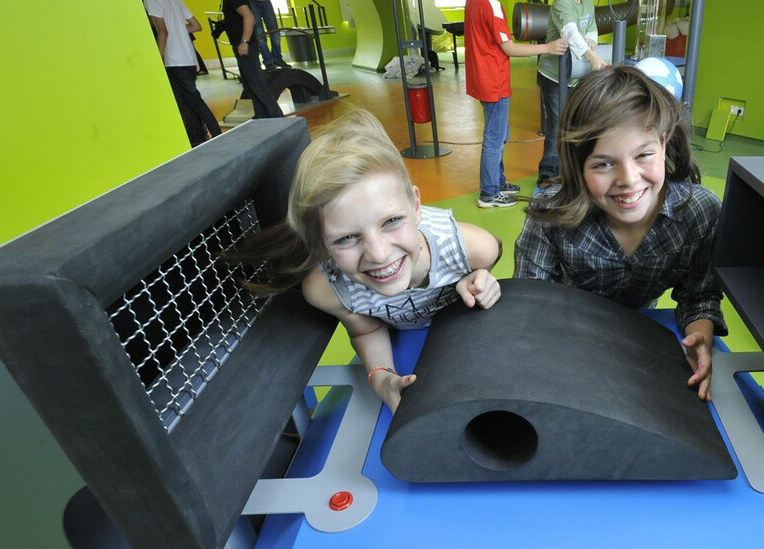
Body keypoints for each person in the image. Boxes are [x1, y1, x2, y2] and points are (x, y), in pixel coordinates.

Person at [234, 109, 503, 412]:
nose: (378, 254)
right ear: (320, 242)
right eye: (346, 238)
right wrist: (381, 378)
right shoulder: (327, 289)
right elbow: (366, 329)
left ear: (415, 206)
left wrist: (479, 281)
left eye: (391, 221)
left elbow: (484, 273)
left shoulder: (472, 248)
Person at [514, 66, 727, 400]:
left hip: (646, 343)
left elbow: (700, 295)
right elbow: (530, 304)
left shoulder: (700, 212)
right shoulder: (549, 217)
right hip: (571, 337)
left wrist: (699, 336)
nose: (628, 179)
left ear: (664, 143)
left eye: (643, 155)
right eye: (603, 164)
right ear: (577, 165)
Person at [464, 0, 569, 208]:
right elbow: (509, 48)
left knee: (500, 133)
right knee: (495, 138)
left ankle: (498, 182)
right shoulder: (491, 5)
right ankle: (489, 193)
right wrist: (548, 47)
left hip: (483, 76)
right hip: (493, 79)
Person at [535, 0, 607, 197]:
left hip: (576, 74)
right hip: (554, 74)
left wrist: (592, 40)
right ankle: (548, 173)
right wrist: (591, 55)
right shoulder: (561, 3)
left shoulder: (588, 3)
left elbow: (591, 28)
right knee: (557, 124)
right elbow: (570, 31)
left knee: (577, 123)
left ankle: (571, 171)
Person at [145, 0, 222, 147]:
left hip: (175, 60)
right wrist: (178, 29)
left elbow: (162, 30)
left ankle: (216, 133)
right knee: (190, 101)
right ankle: (199, 136)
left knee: (193, 101)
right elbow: (196, 26)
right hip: (189, 58)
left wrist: (158, 57)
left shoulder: (152, 1)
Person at [223, 0, 284, 118]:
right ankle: (261, 115)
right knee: (249, 86)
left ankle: (277, 116)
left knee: (257, 85)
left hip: (247, 47)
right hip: (240, 46)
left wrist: (244, 42)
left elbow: (250, 17)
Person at [250, 0, 291, 71]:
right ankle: (268, 61)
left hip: (265, 1)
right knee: (259, 34)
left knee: (275, 32)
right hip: (252, 2)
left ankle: (277, 59)